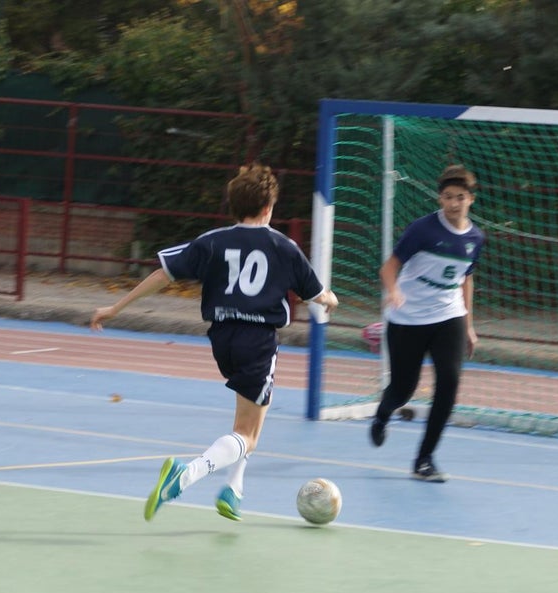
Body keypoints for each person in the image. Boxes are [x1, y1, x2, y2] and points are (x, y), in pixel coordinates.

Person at [91, 163, 338, 521]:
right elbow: (317, 294)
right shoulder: (284, 246)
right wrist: (330, 300)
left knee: (253, 416)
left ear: (232, 206)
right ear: (270, 208)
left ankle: (233, 491)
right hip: (258, 339)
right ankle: (184, 475)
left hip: (222, 338)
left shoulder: (212, 241)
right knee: (246, 434)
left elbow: (164, 274)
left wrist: (115, 307)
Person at [369, 164, 486, 483]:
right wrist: (393, 291)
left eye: (460, 197)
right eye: (448, 197)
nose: (453, 204)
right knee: (404, 389)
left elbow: (466, 279)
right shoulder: (422, 230)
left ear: (470, 200)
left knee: (449, 382)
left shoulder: (476, 237)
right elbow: (389, 268)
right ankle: (383, 413)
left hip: (448, 317)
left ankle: (424, 459)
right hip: (407, 318)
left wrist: (469, 325)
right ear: (440, 198)